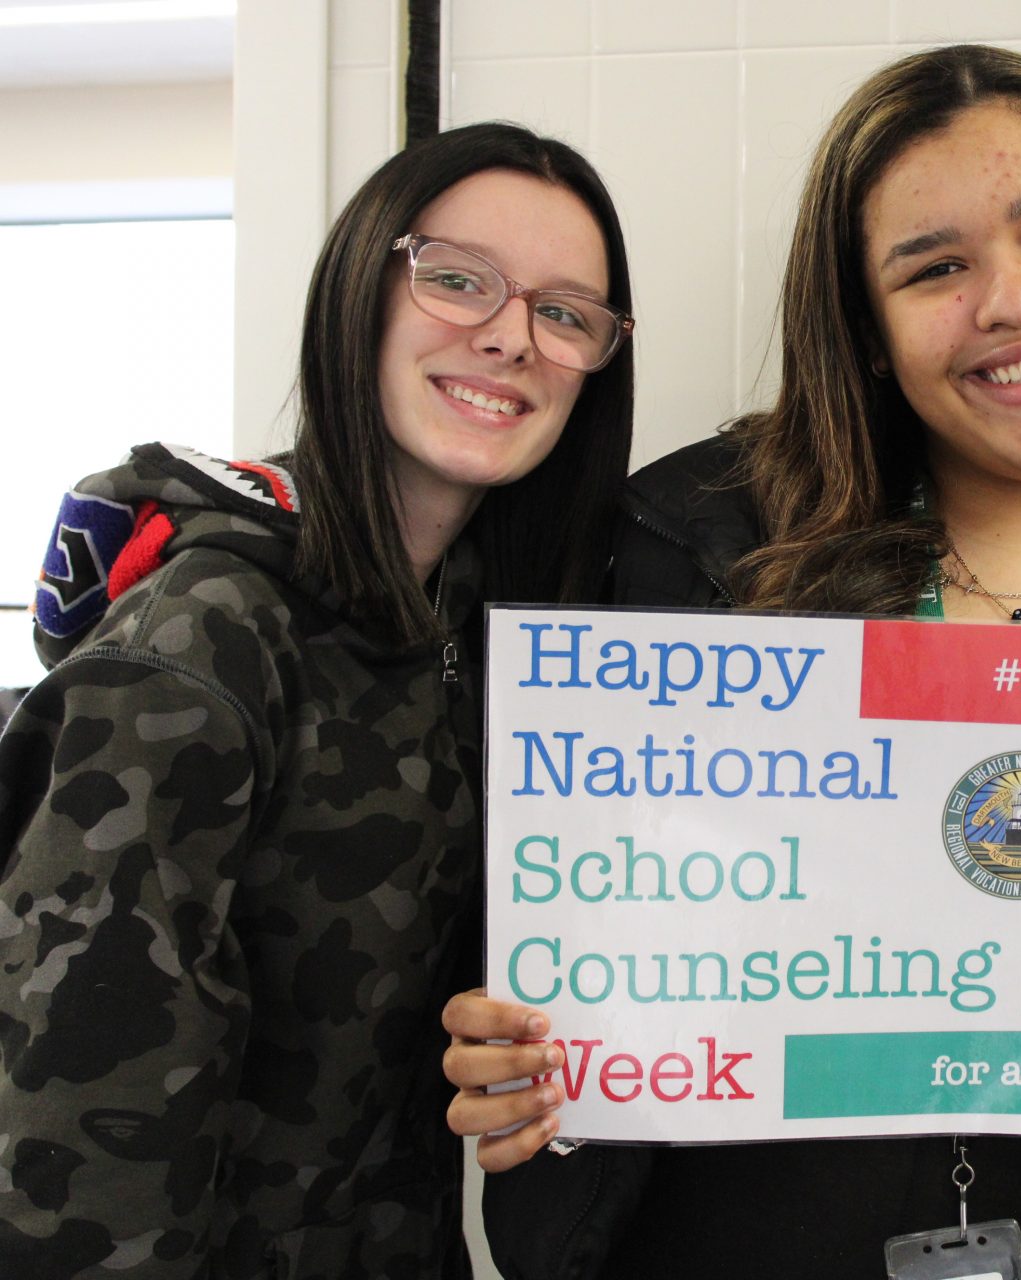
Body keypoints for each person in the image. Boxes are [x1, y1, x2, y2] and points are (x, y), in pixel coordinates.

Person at [443, 44, 1021, 1280]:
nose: (1013, 298)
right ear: (870, 333)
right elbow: (564, 976)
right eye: (936, 267)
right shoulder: (687, 555)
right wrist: (528, 1062)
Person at [0, 122, 634, 1276]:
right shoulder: (201, 640)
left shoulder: (483, 636)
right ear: (359, 292)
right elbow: (75, 1146)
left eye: (565, 313)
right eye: (458, 279)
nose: (510, 337)